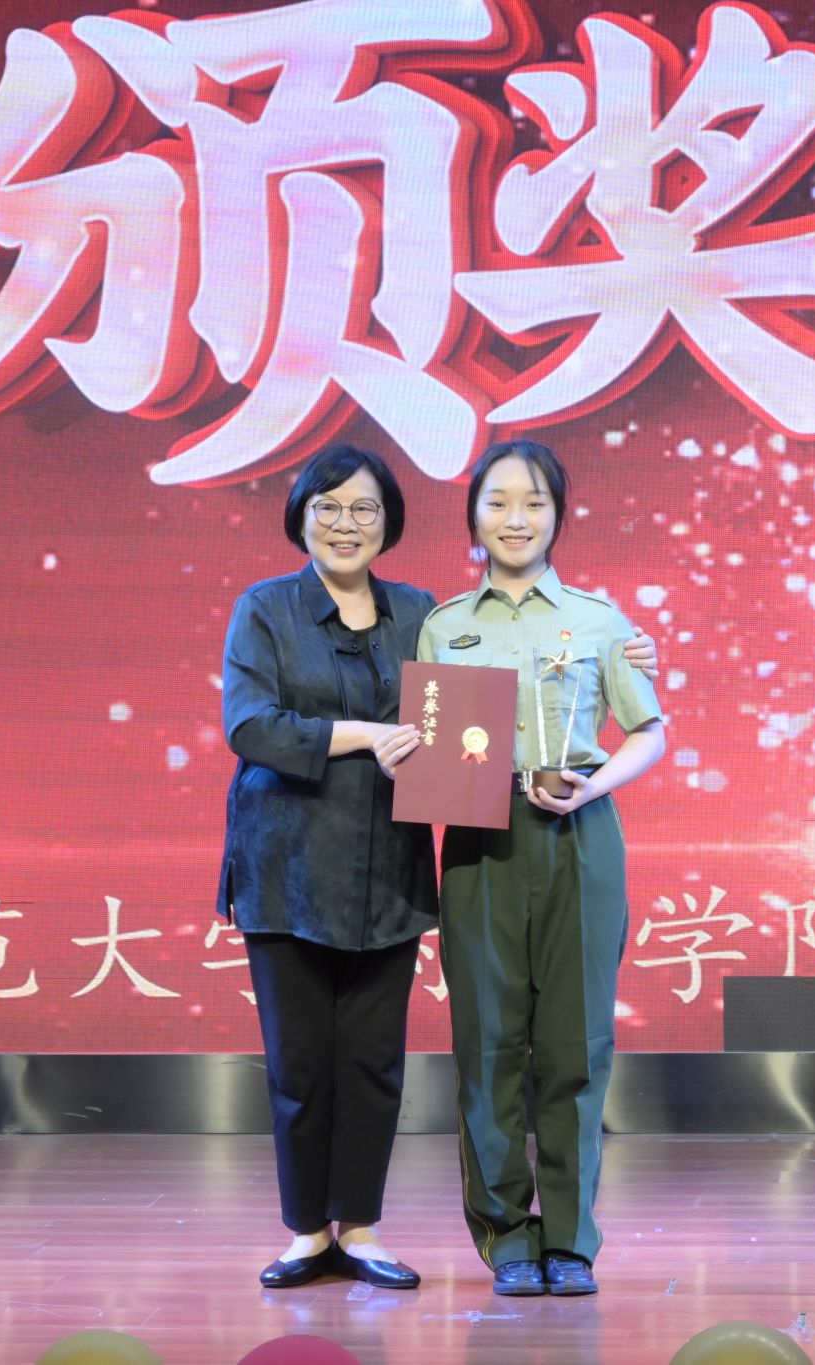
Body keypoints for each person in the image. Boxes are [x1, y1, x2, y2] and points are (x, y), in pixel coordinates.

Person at [219, 443, 658, 1292]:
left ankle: (489, 1236)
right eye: (329, 507)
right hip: (342, 856)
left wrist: (627, 661)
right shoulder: (321, 613)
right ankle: (367, 1233)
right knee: (359, 1060)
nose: (346, 523)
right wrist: (367, 736)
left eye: (365, 508)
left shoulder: (438, 614)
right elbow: (257, 724)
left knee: (442, 1058)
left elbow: (599, 715)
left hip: (436, 857)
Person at [412, 439, 667, 1298]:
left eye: (534, 502)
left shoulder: (600, 619)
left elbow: (650, 731)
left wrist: (595, 784)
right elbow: (434, 744)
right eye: (497, 501)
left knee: (575, 1043)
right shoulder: (445, 624)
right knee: (486, 1042)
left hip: (580, 834)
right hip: (479, 837)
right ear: (473, 515)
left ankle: (570, 1239)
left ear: (559, 514)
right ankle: (505, 1233)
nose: (515, 518)